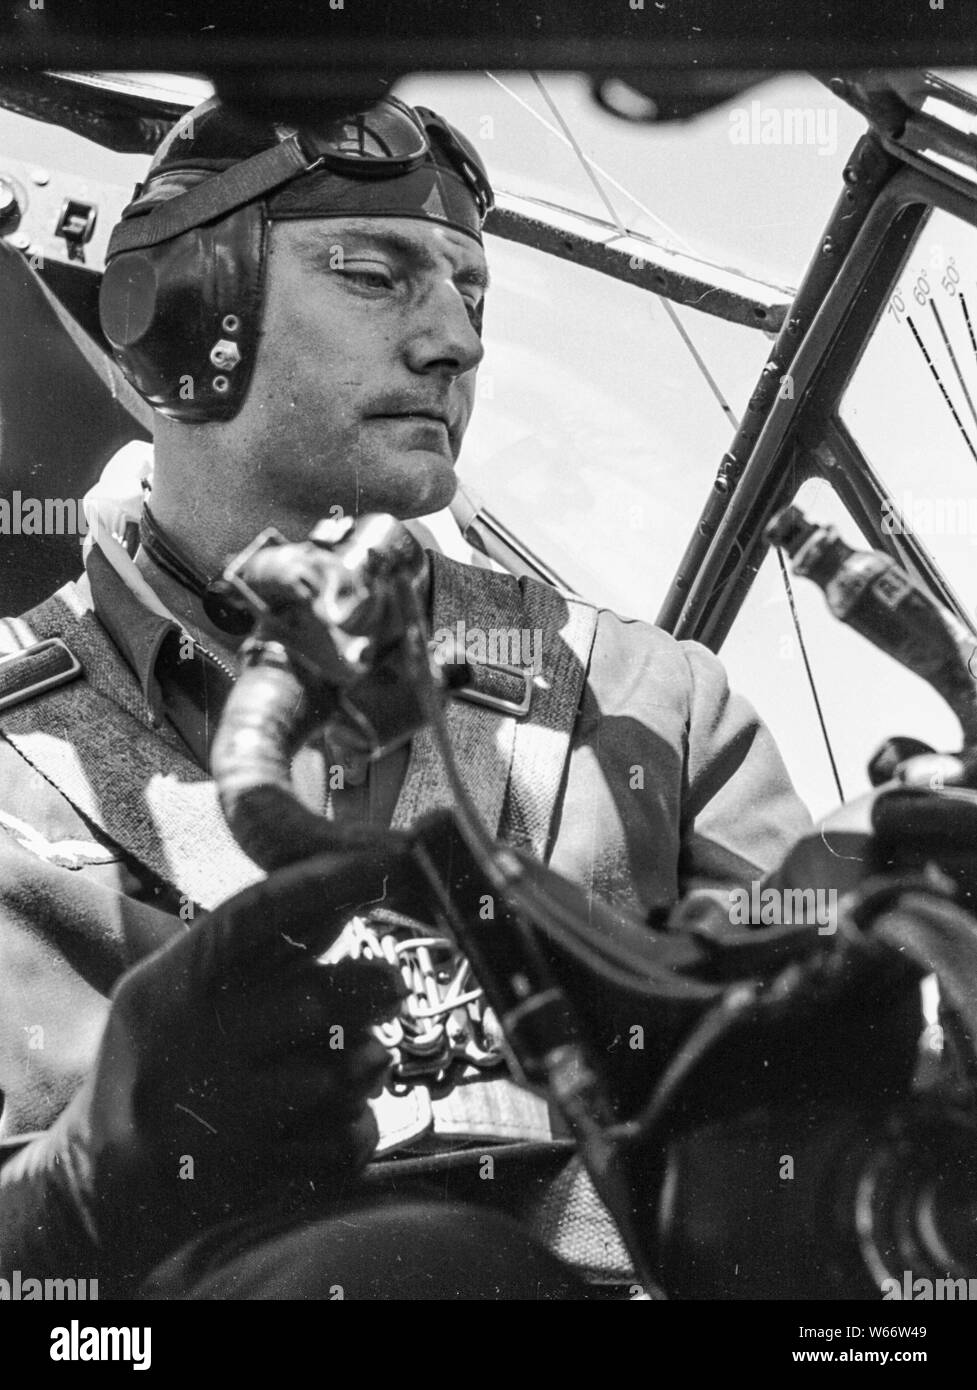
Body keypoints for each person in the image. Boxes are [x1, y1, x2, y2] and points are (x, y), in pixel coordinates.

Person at [0, 94, 812, 1299]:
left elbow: (850, 1156)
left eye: (471, 293)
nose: (457, 340)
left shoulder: (652, 706)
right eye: (375, 274)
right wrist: (76, 1188)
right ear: (175, 312)